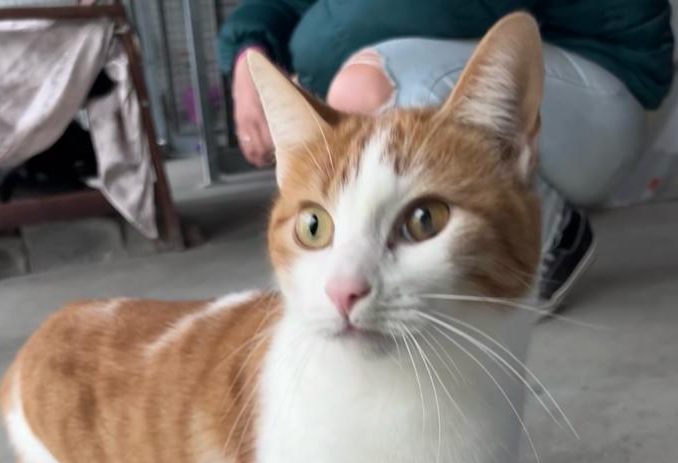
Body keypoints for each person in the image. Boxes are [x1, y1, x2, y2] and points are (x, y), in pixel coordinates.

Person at [218, 1, 675, 311]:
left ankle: (548, 231)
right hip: (480, 47)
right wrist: (248, 54)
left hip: (602, 80)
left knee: (362, 85)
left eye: (424, 220)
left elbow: (419, 10)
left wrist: (301, 52)